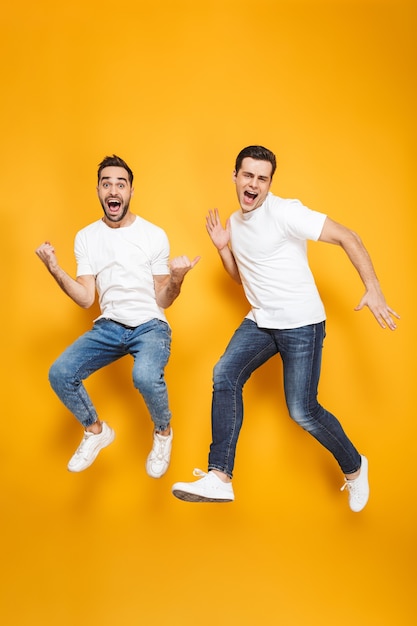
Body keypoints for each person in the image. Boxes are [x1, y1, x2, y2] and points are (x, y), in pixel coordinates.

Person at [172, 145, 399, 511]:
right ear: (235, 177)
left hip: (301, 323)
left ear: (269, 183)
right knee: (224, 374)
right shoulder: (236, 222)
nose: (254, 184)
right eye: (248, 175)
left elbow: (347, 236)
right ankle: (220, 477)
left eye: (262, 178)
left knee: (302, 411)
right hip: (262, 319)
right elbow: (242, 279)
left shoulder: (285, 212)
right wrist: (223, 249)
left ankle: (355, 468)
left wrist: (373, 288)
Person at [36, 154, 199, 476]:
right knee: (60, 373)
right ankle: (96, 431)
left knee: (144, 376)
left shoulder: (153, 235)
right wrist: (54, 268)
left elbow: (162, 299)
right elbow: (85, 299)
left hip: (149, 326)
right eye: (106, 183)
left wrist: (177, 276)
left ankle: (163, 433)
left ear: (130, 191)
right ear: (98, 190)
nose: (114, 189)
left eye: (120, 184)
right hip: (109, 327)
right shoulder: (86, 237)